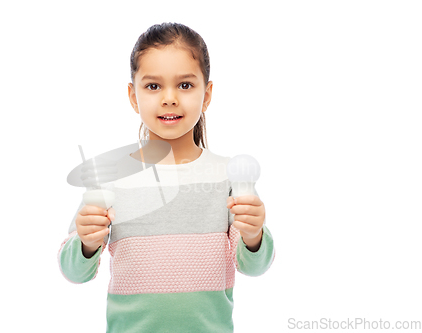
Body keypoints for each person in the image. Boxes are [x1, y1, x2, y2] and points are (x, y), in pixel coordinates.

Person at [58, 22, 275, 333]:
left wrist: (254, 237)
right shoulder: (109, 179)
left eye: (185, 85)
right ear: (133, 96)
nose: (170, 98)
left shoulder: (229, 176)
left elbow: (255, 267)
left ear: (207, 93)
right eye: (153, 86)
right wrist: (86, 243)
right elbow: (74, 272)